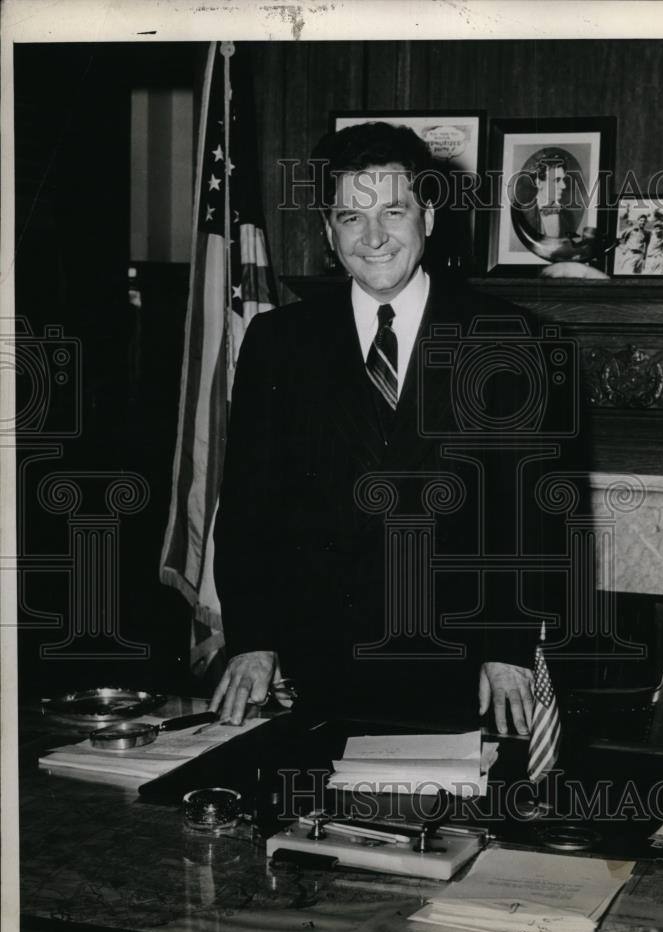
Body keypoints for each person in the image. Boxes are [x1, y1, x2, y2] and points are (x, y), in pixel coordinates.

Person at [210, 122, 571, 732]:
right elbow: (247, 507)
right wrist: (252, 638)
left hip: (465, 672)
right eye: (351, 217)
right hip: (312, 671)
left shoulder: (511, 339)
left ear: (427, 217)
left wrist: (508, 649)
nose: (373, 237)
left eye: (393, 212)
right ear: (328, 230)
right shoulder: (279, 343)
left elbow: (533, 517)